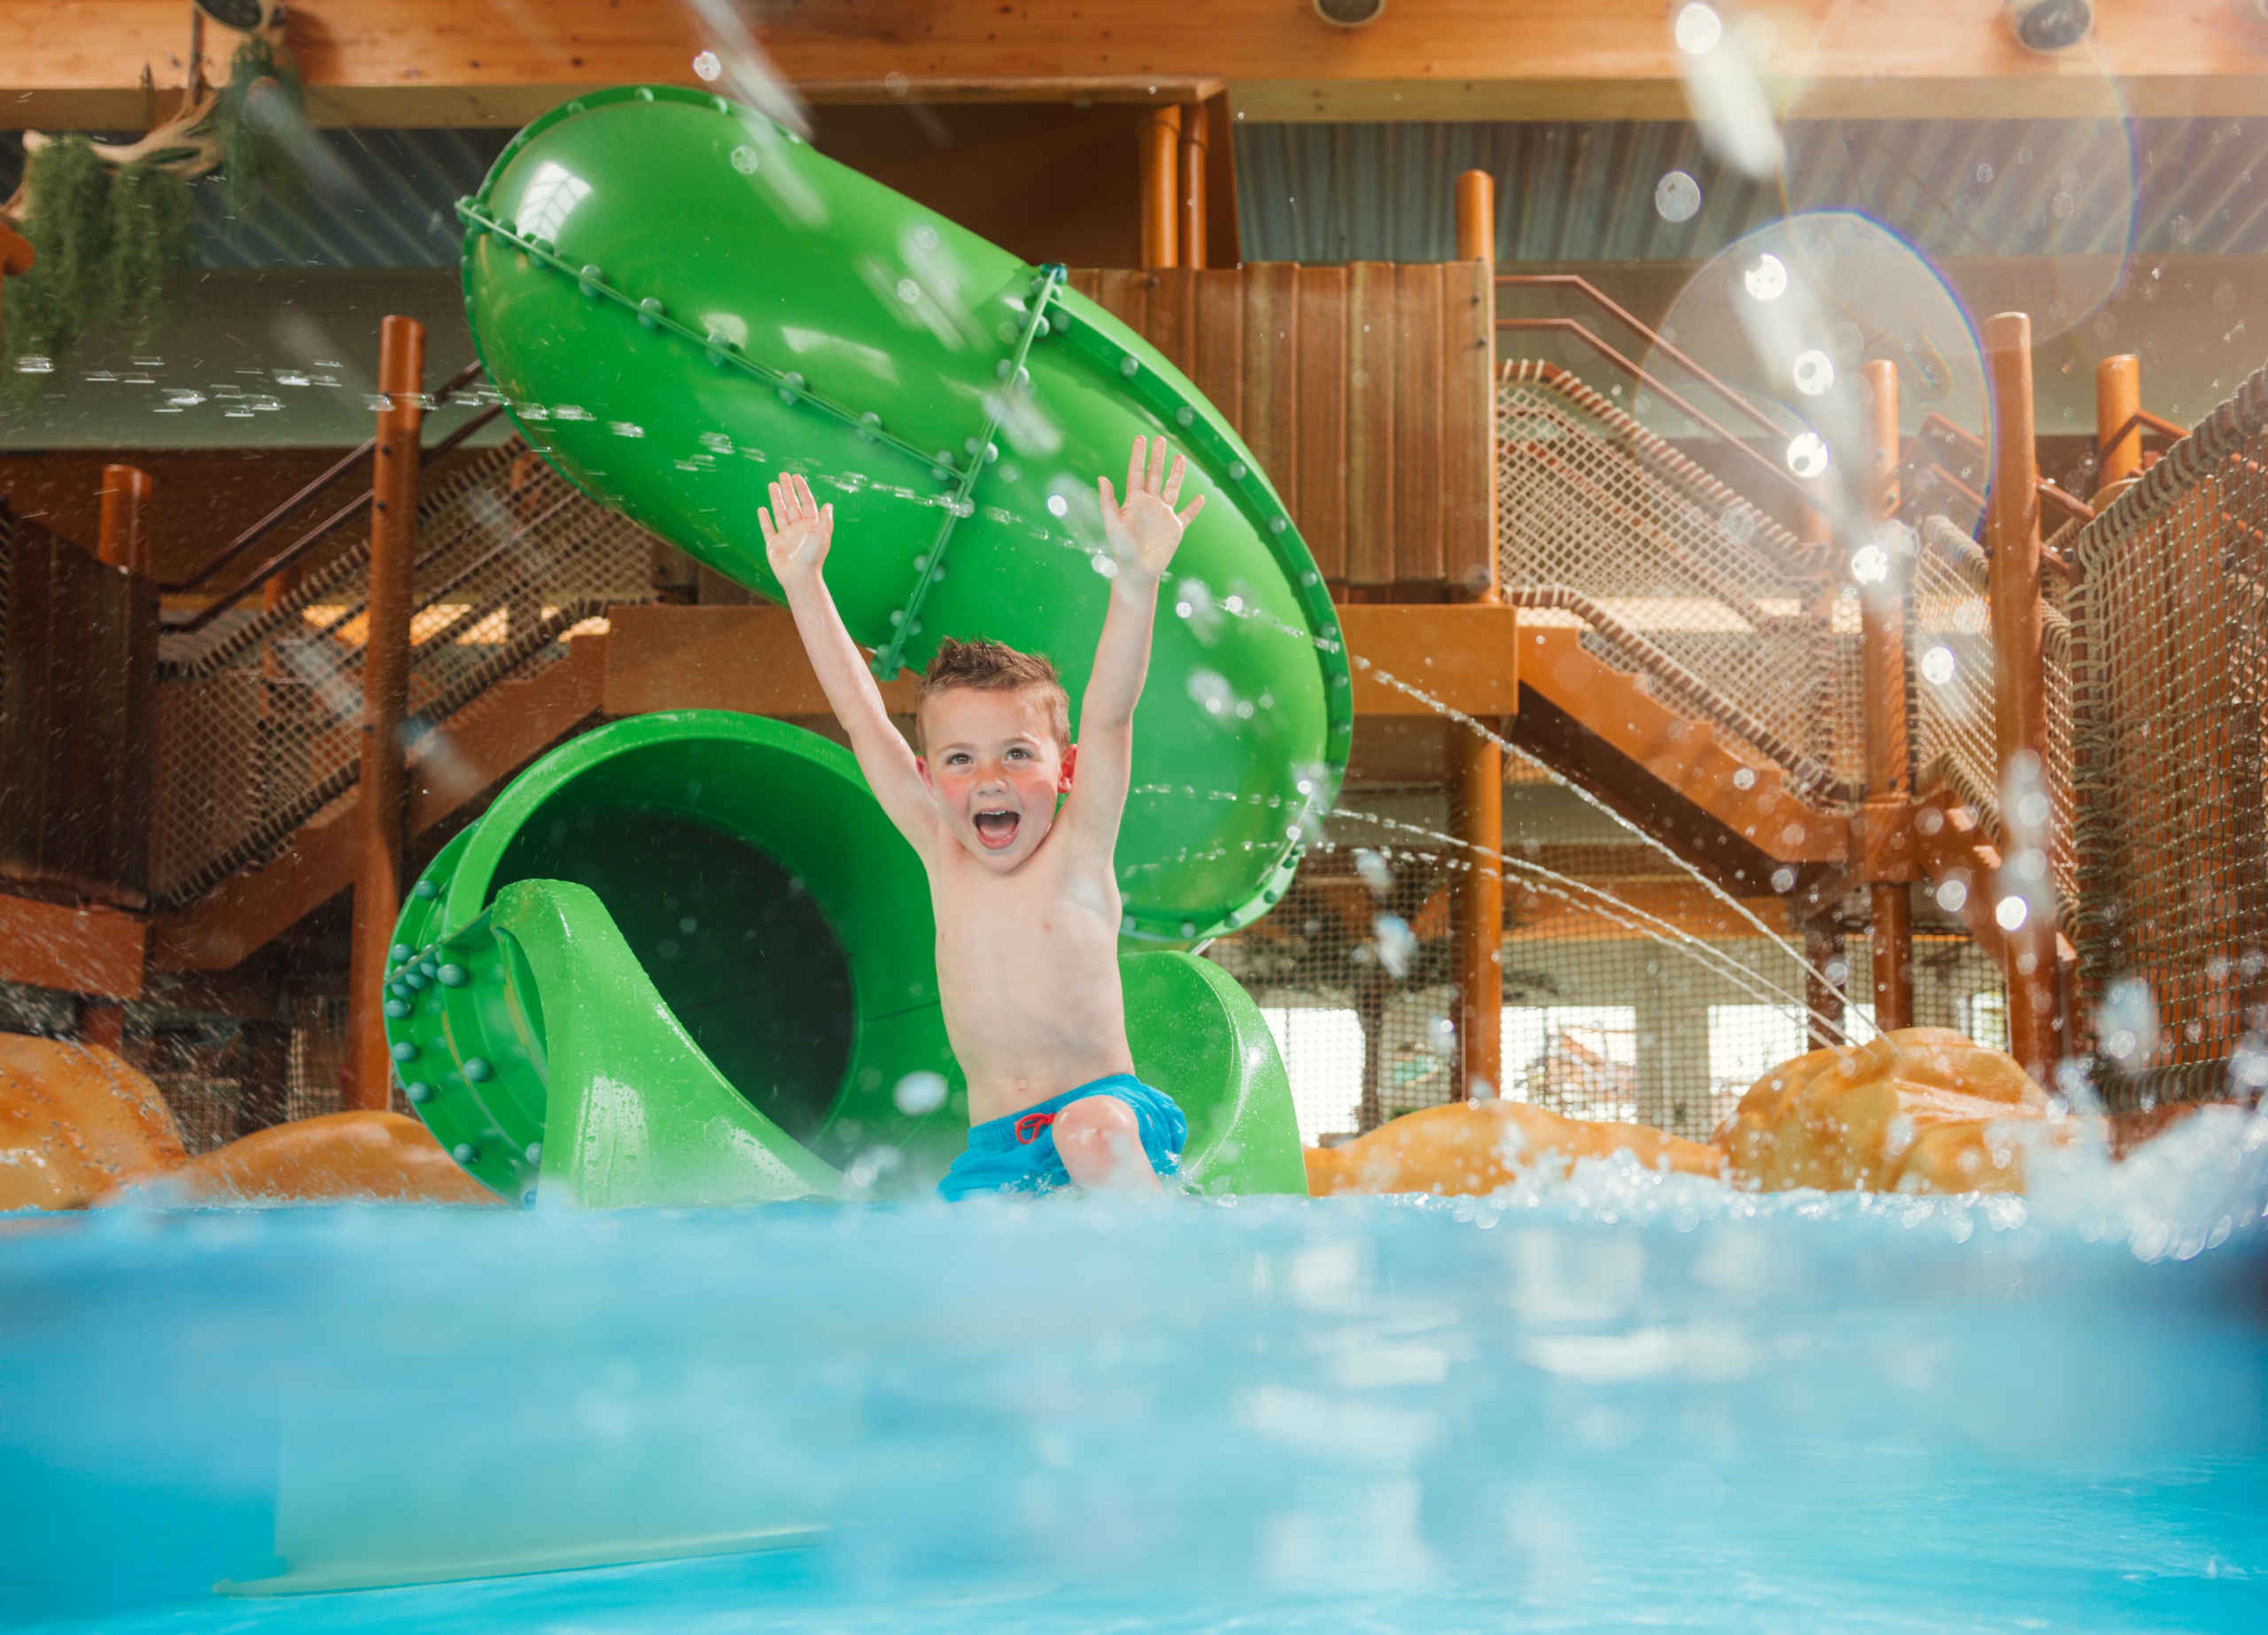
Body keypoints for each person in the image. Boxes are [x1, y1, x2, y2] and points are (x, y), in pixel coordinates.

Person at [760, 436, 1205, 1198]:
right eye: (961, 760)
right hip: (1000, 1148)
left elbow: (1109, 715)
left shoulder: (1079, 846)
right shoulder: (943, 849)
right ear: (931, 780)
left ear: (1064, 772)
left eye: (1016, 755)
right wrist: (805, 586)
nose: (989, 778)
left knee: (1088, 1132)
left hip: (1113, 1116)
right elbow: (867, 723)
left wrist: (1138, 582)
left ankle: (1156, 1264)